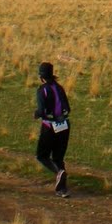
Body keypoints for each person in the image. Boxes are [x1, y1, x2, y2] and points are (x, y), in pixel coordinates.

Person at [34, 62, 73, 198]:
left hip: (49, 127)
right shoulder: (60, 88)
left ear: (41, 76)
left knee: (42, 155)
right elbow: (67, 108)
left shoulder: (42, 90)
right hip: (65, 126)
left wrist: (36, 114)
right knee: (58, 157)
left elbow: (41, 110)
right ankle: (62, 189)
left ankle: (58, 173)